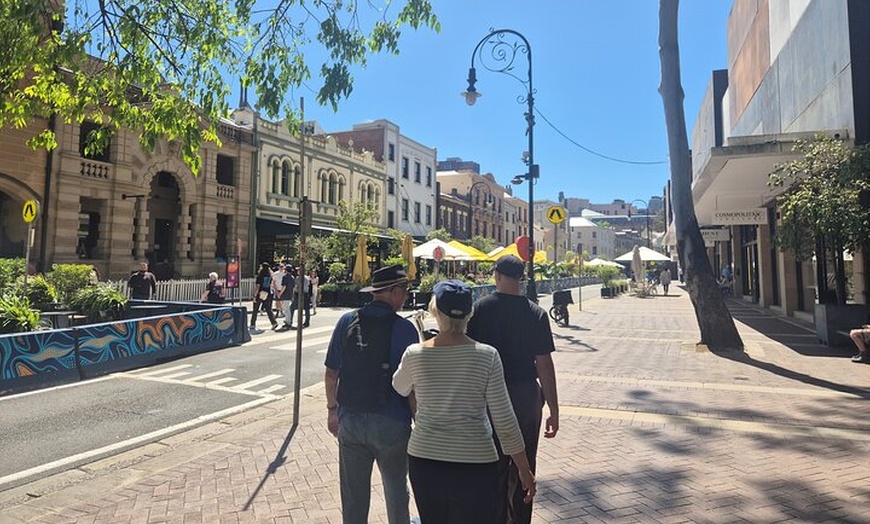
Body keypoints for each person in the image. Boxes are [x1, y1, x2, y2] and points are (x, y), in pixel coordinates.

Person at [393, 280, 536, 523]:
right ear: (470, 313)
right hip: (476, 459)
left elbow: (399, 386)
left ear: (435, 311)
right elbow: (504, 419)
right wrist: (523, 468)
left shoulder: (415, 354)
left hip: (425, 457)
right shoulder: (487, 356)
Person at [466, 254, 559, 524]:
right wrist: (553, 408)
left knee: (491, 465)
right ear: (522, 278)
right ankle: (520, 518)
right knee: (525, 464)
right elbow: (544, 364)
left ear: (497, 275)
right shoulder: (536, 313)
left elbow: (470, 353)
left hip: (488, 396)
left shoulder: (480, 308)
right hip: (525, 396)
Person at [323, 265, 418, 524]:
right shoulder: (405, 330)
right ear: (395, 292)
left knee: (353, 496)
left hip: (350, 420)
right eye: (405, 291)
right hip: (392, 421)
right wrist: (419, 422)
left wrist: (332, 411)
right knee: (396, 490)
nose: (407, 296)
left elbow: (332, 373)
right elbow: (412, 387)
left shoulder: (346, 321)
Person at [250, 262, 278, 330]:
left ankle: (253, 324)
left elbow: (258, 286)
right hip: (267, 293)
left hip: (260, 293)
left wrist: (254, 295)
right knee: (268, 309)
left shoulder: (260, 276)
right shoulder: (270, 275)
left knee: (255, 309)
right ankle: (274, 322)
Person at [279, 265, 297, 329]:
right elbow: (294, 287)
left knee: (286, 309)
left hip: (285, 294)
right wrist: (292, 295)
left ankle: (288, 322)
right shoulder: (292, 277)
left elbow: (284, 286)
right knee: (287, 308)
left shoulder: (285, 277)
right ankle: (288, 320)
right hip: (290, 294)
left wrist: (280, 293)